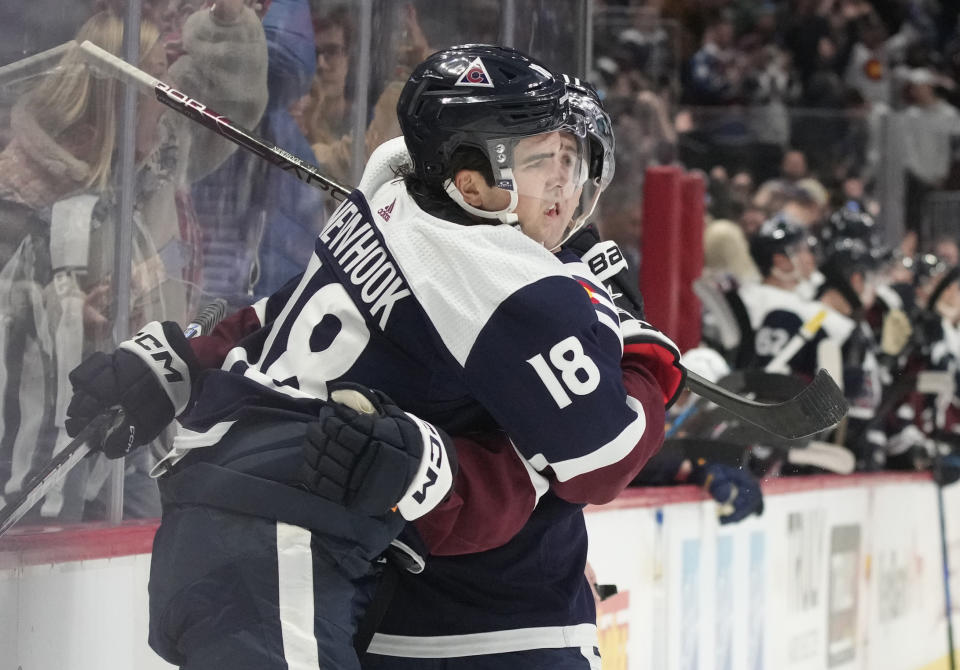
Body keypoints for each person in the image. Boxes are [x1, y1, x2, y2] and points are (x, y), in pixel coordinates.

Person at [63, 46, 683, 669]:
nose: (562, 182)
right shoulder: (512, 287)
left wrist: (188, 358)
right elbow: (603, 457)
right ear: (470, 179)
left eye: (568, 161)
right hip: (303, 541)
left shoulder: (390, 195)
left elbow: (289, 314)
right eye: (541, 160)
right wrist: (643, 354)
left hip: (239, 513)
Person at [0, 3, 268, 518]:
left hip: (148, 411)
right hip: (46, 440)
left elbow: (227, 105)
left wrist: (228, 23)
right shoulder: (21, 191)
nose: (171, 100)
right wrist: (56, 308)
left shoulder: (160, 156)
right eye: (157, 83)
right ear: (116, 95)